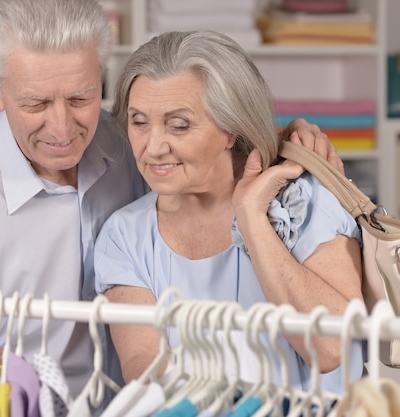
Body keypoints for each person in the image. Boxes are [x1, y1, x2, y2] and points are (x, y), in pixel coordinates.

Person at [0, 0, 346, 410]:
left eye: (80, 98)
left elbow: (200, 137)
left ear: (102, 79)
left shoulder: (125, 145)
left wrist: (285, 142)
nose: (62, 128)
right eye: (34, 104)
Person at [94, 30, 364, 396]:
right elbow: (144, 368)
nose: (153, 147)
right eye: (139, 121)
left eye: (179, 125)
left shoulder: (307, 201)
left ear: (231, 130)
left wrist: (251, 217)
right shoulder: (124, 235)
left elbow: (331, 349)